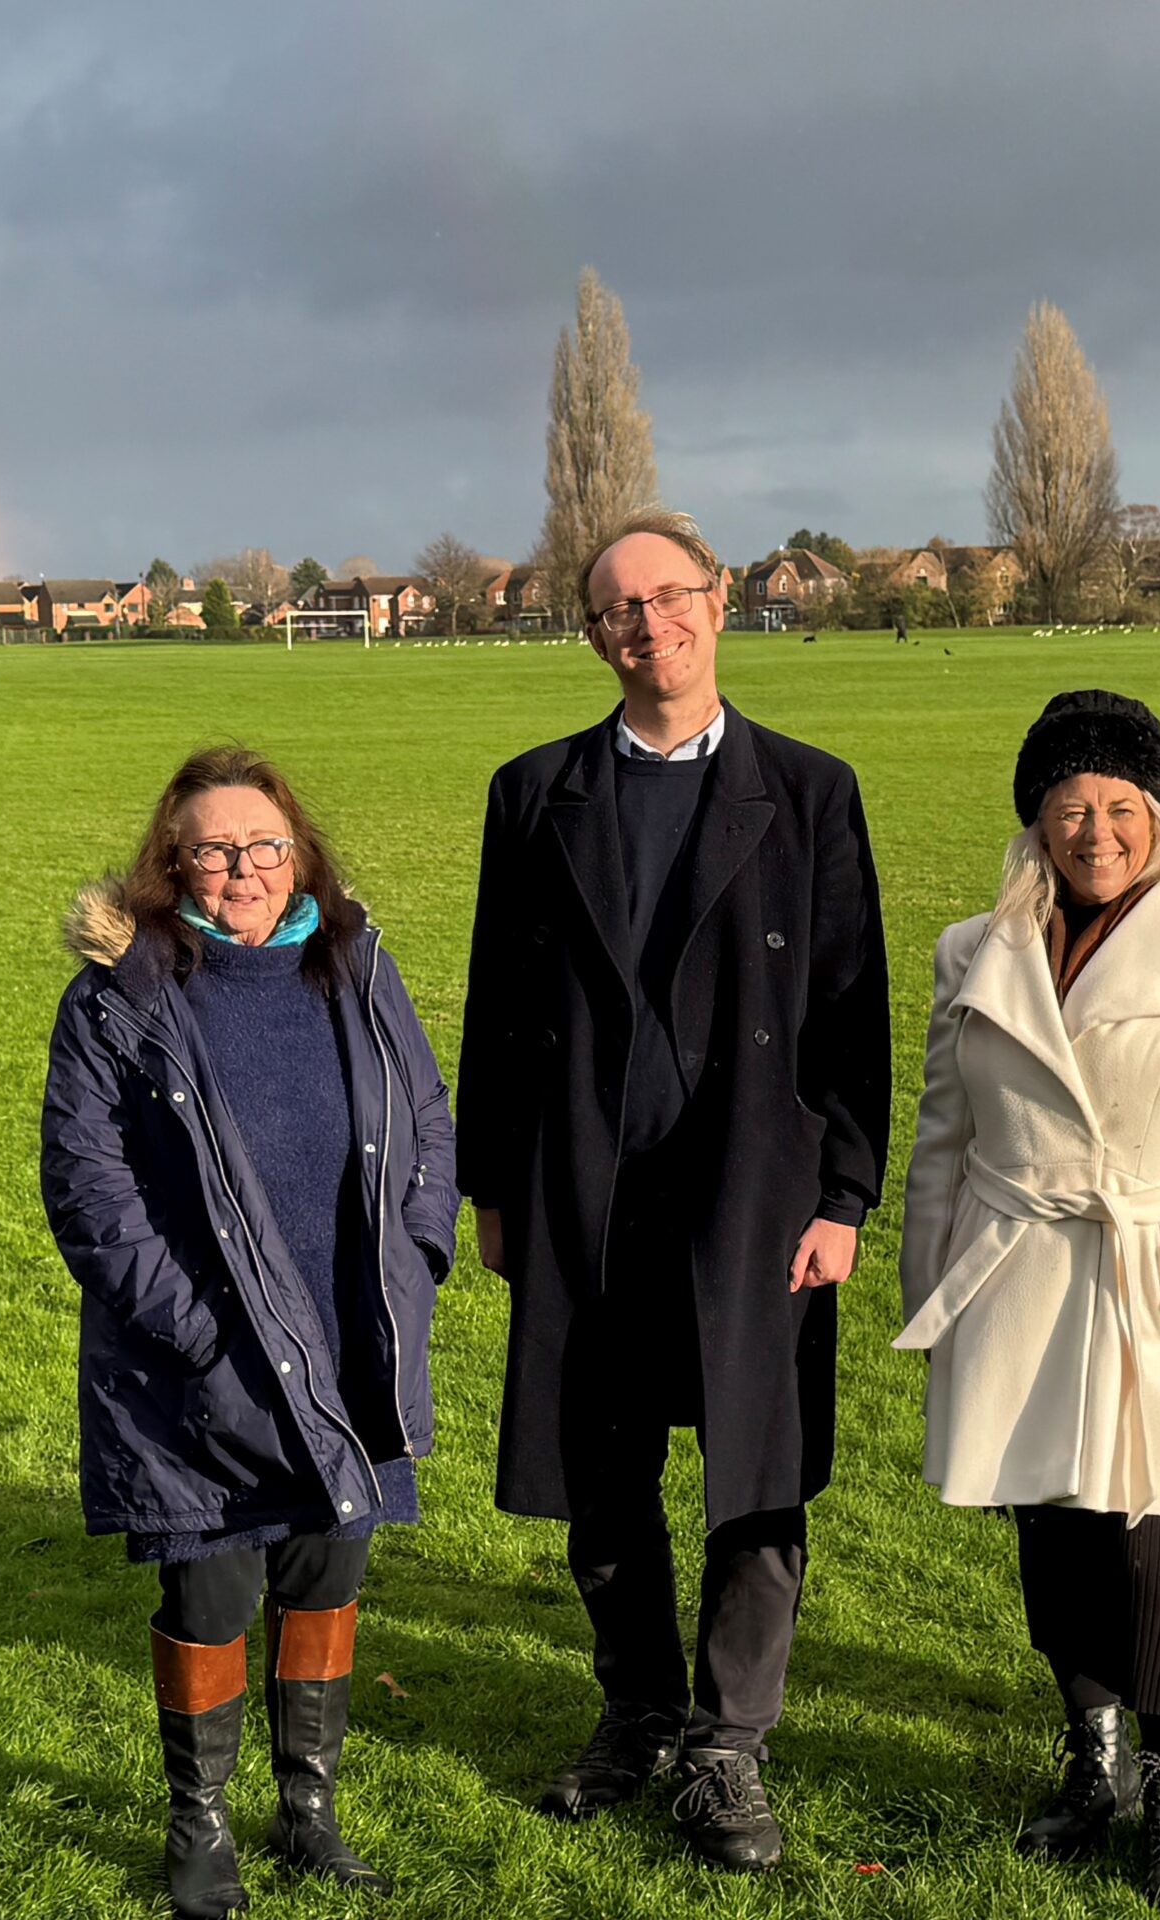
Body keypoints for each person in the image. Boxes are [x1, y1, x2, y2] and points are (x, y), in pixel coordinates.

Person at [457, 509, 890, 1873]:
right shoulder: (534, 794)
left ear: (718, 602)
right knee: (604, 1468)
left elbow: (849, 1007)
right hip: (583, 1184)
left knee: (754, 1476)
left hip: (752, 1191)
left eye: (671, 596)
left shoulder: (810, 791)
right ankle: (638, 1711)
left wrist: (843, 1194)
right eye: (618, 609)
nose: (650, 625)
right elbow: (500, 1004)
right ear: (594, 637)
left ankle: (729, 1747)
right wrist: (492, 1184)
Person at [896, 691, 1160, 1917]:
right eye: (1071, 805)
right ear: (1036, 819)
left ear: (1158, 818)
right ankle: (1096, 1761)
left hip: (1149, 1280)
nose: (1096, 829)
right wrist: (935, 1286)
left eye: (1122, 806)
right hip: (1012, 1274)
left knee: (1145, 1541)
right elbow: (941, 1133)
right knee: (1052, 1537)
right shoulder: (973, 951)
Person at [40, 746, 459, 1917]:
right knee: (211, 1597)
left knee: (326, 1582)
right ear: (172, 862)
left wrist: (416, 1259)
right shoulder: (118, 1000)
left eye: (263, 846)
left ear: (299, 851)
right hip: (198, 1365)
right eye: (214, 850)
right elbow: (92, 1197)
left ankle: (309, 1812)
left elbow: (426, 1122)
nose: (242, 870)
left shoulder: (356, 966)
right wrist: (201, 1338)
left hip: (349, 1343)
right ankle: (202, 1822)